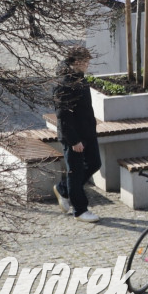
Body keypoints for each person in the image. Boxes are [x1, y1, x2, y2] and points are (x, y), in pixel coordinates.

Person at [52, 46, 101, 223]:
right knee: (76, 171)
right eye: (86, 62)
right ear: (77, 62)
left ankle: (64, 189)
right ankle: (80, 210)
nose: (88, 65)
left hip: (88, 132)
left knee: (95, 163)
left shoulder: (79, 78)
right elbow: (63, 115)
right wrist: (73, 140)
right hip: (74, 137)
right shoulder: (65, 83)